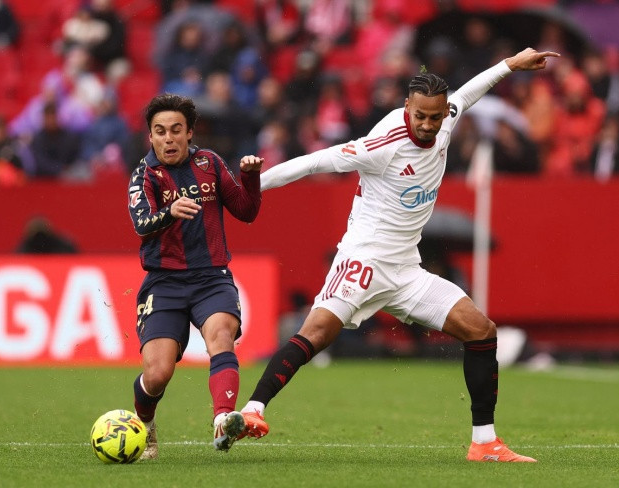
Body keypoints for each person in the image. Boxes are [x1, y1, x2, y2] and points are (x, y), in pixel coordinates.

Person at [235, 47, 559, 463]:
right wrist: (246, 187)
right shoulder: (382, 144)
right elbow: (314, 163)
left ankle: (484, 443)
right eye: (419, 115)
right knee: (317, 333)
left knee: (481, 330)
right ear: (407, 106)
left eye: (435, 117)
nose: (427, 125)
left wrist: (511, 64)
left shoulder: (447, 117)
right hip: (364, 260)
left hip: (406, 269)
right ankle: (253, 410)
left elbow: (468, 93)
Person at [127, 93, 263, 459]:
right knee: (157, 375)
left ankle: (223, 419)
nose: (168, 138)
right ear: (150, 137)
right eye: (160, 132)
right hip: (164, 282)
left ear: (190, 133)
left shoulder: (210, 163)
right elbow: (141, 224)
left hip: (211, 278)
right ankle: (146, 425)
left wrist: (250, 178)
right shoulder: (144, 175)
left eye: (176, 130)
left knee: (221, 336)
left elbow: (246, 211)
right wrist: (170, 211)